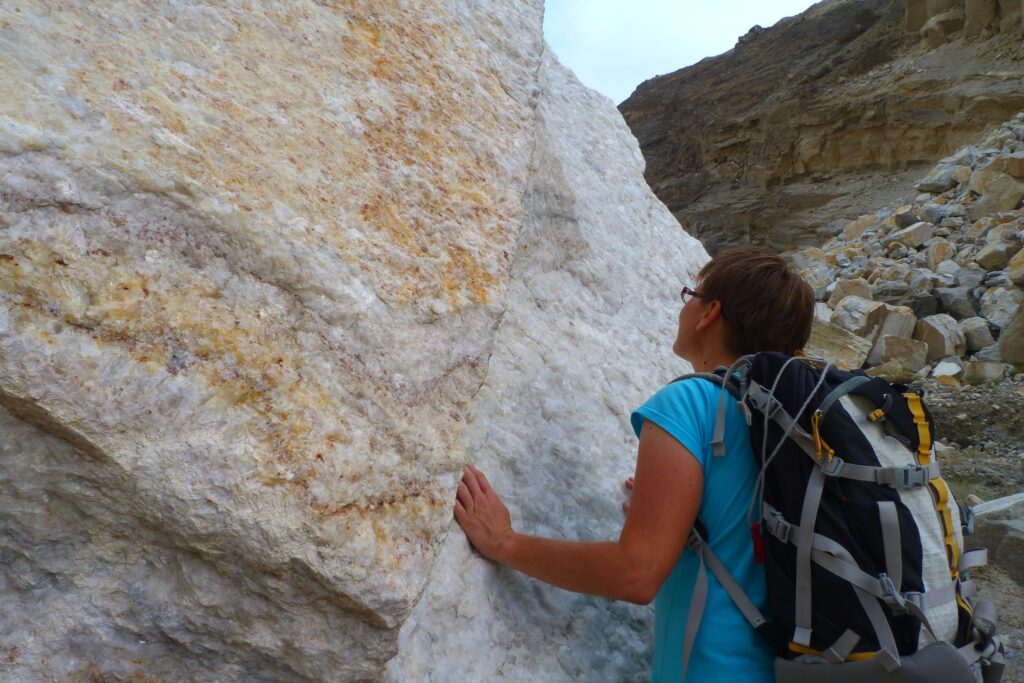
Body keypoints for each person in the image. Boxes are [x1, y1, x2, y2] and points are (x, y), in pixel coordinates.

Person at [455, 246, 815, 682]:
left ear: (709, 314)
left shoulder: (690, 402)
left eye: (691, 295)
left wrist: (505, 542)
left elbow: (636, 575)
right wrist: (670, 512)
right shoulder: (792, 425)